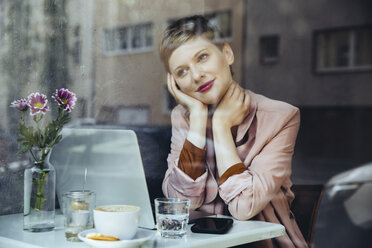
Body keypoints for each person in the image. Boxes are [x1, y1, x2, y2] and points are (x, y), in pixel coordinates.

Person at [159, 15, 307, 248]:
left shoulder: (281, 117)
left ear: (227, 54)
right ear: (175, 84)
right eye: (182, 72)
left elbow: (244, 207)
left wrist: (220, 126)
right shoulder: (184, 116)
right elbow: (181, 202)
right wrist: (198, 119)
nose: (196, 75)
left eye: (203, 57)